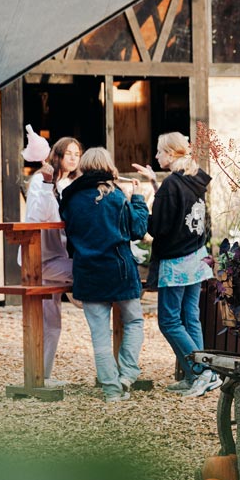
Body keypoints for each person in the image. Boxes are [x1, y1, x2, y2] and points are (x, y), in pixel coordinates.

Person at [60, 148, 149, 403]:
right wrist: (139, 199)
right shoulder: (116, 196)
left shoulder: (69, 197)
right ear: (108, 165)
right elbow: (138, 229)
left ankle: (111, 390)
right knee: (134, 322)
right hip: (119, 269)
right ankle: (127, 375)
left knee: (99, 334)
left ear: (85, 166)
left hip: (87, 270)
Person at [133, 132, 216, 398]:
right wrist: (154, 186)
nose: (156, 156)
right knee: (190, 317)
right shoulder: (193, 179)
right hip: (197, 256)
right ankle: (197, 374)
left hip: (177, 262)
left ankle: (202, 372)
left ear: (170, 153)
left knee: (169, 321)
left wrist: (138, 206)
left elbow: (158, 227)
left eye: (159, 152)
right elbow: (177, 211)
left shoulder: (172, 184)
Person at [24, 136, 82, 386]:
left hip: (62, 255)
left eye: (77, 154)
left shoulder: (73, 183)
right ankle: (39, 377)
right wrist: (48, 185)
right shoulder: (40, 180)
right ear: (56, 154)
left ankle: (43, 375)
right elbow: (36, 217)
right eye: (68, 153)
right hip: (40, 259)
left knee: (52, 324)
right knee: (46, 323)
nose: (73, 157)